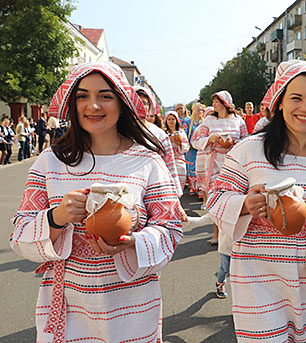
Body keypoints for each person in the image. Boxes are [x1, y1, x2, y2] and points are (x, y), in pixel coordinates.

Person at [10, 62, 183, 342]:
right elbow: (19, 234)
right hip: (69, 308)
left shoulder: (148, 161)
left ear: (122, 101)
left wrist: (133, 243)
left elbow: (171, 228)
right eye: (82, 96)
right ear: (71, 103)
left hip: (134, 309)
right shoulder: (50, 162)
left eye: (105, 95)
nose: (93, 106)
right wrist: (56, 217)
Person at [207, 60, 306, 342]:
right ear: (280, 102)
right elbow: (216, 198)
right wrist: (245, 204)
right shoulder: (249, 150)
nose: (305, 108)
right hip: (259, 279)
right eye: (296, 98)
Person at [191, 90, 248, 245]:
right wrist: (211, 138)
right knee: (217, 199)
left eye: (216, 101)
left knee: (233, 200)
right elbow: (196, 140)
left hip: (234, 165)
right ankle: (216, 233)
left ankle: (232, 234)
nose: (213, 104)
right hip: (214, 163)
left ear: (224, 103)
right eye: (213, 101)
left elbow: (246, 140)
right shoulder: (209, 120)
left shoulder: (238, 120)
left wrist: (232, 144)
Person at [164, 110, 190, 191]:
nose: (171, 121)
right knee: (169, 183)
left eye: (173, 119)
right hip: (168, 161)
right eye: (169, 119)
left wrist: (179, 144)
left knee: (180, 182)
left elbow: (187, 146)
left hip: (179, 160)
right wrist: (169, 142)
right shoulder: (163, 133)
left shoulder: (181, 132)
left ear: (176, 120)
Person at [186, 103, 204, 194]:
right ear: (193, 111)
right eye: (198, 110)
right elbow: (185, 135)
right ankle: (192, 186)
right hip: (191, 148)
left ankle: (200, 187)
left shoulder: (203, 122)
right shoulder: (188, 122)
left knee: (200, 167)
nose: (200, 112)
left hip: (201, 148)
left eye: (201, 110)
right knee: (192, 166)